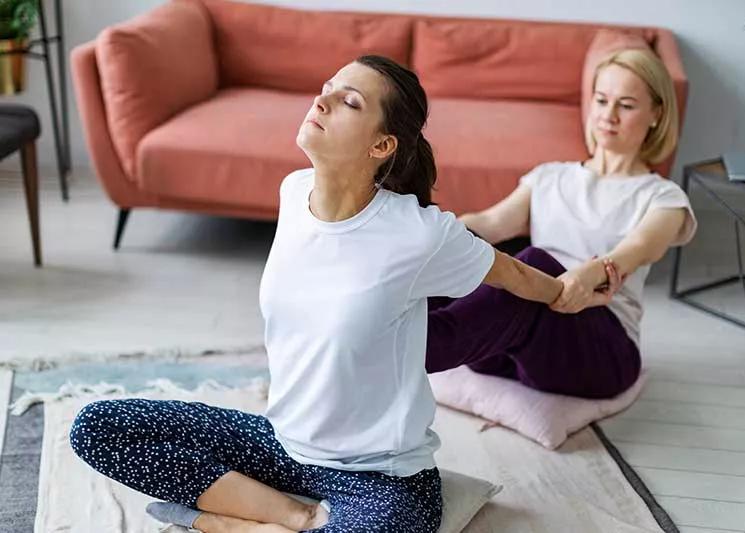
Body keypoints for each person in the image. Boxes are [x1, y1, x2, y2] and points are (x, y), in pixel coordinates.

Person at [68, 55, 614, 533]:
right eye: (327, 87)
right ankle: (289, 517)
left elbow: (510, 275)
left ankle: (224, 520)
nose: (322, 99)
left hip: (381, 477)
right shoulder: (292, 191)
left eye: (347, 100)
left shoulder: (418, 232)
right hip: (280, 443)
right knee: (95, 428)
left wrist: (564, 289)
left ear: (382, 145)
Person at [425, 48, 697, 400]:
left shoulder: (663, 198)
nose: (608, 116)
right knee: (456, 244)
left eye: (626, 106)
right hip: (513, 349)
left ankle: (421, 348)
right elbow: (491, 222)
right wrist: (432, 234)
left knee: (532, 262)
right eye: (601, 100)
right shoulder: (550, 177)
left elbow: (635, 250)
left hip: (601, 356)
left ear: (656, 114)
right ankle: (393, 326)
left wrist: (587, 275)